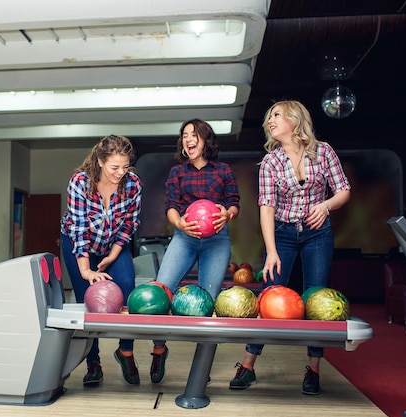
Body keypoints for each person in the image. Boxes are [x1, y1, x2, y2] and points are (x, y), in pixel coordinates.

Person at [230, 100, 351, 395]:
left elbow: (344, 190)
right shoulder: (271, 162)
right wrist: (271, 250)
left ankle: (313, 369)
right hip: (282, 234)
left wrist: (325, 205)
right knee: (270, 294)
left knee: (317, 297)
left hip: (317, 234)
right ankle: (248, 365)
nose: (269, 121)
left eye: (276, 115)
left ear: (295, 120)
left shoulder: (324, 152)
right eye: (268, 116)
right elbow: (266, 208)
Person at [150, 118, 240, 384]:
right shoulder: (177, 172)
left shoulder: (223, 170)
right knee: (162, 290)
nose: (188, 139)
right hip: (184, 237)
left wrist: (228, 214)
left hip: (217, 240)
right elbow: (171, 205)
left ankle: (203, 366)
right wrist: (179, 223)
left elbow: (234, 203)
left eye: (194, 135)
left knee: (208, 303)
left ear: (205, 139)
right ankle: (158, 349)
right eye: (185, 135)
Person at [60, 134, 142, 386]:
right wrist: (86, 270)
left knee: (128, 290)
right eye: (114, 167)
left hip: (112, 245)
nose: (120, 173)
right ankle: (92, 362)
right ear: (100, 161)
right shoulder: (80, 182)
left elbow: (130, 223)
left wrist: (114, 254)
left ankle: (125, 351)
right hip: (78, 242)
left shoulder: (133, 184)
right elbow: (79, 228)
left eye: (125, 166)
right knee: (88, 299)